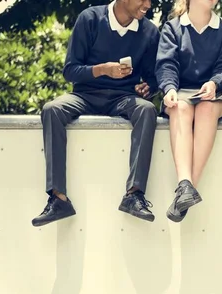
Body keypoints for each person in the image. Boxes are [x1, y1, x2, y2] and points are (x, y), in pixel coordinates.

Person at [32, 0, 160, 227]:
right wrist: (103, 70)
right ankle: (58, 198)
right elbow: (70, 71)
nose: (148, 5)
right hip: (85, 96)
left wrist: (148, 87)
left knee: (147, 109)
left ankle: (134, 194)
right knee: (52, 109)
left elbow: (152, 77)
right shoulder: (89, 19)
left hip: (123, 98)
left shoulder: (149, 31)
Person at [156, 0, 222, 223]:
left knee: (205, 109)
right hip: (182, 92)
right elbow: (167, 64)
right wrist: (170, 88)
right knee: (180, 107)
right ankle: (185, 184)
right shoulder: (172, 28)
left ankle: (187, 189)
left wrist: (214, 83)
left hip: (216, 94)